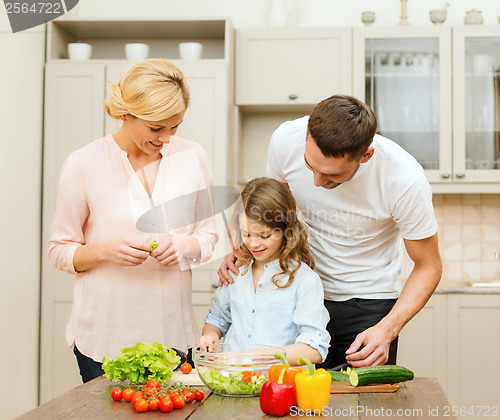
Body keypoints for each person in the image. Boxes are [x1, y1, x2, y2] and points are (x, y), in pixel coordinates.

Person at [219, 95, 442, 369]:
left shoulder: (404, 180)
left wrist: (387, 329)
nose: (316, 181)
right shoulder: (285, 140)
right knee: (298, 405)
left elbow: (428, 266)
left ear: (366, 155)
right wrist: (244, 251)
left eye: (332, 176)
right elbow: (277, 215)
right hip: (299, 293)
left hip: (369, 305)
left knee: (362, 407)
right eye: (310, 166)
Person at [48, 59, 218, 382]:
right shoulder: (83, 164)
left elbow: (209, 236)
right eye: (156, 128)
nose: (166, 138)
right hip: (104, 339)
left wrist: (184, 246)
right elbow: (59, 249)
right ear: (125, 114)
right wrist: (105, 251)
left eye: (175, 126)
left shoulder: (193, 157)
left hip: (174, 337)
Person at [198, 177, 330, 365]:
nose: (253, 243)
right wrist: (210, 335)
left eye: (264, 235)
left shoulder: (305, 280)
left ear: (286, 229)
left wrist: (254, 358)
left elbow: (313, 348)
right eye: (246, 234)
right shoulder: (237, 270)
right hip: (232, 380)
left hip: (278, 384)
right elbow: (217, 319)